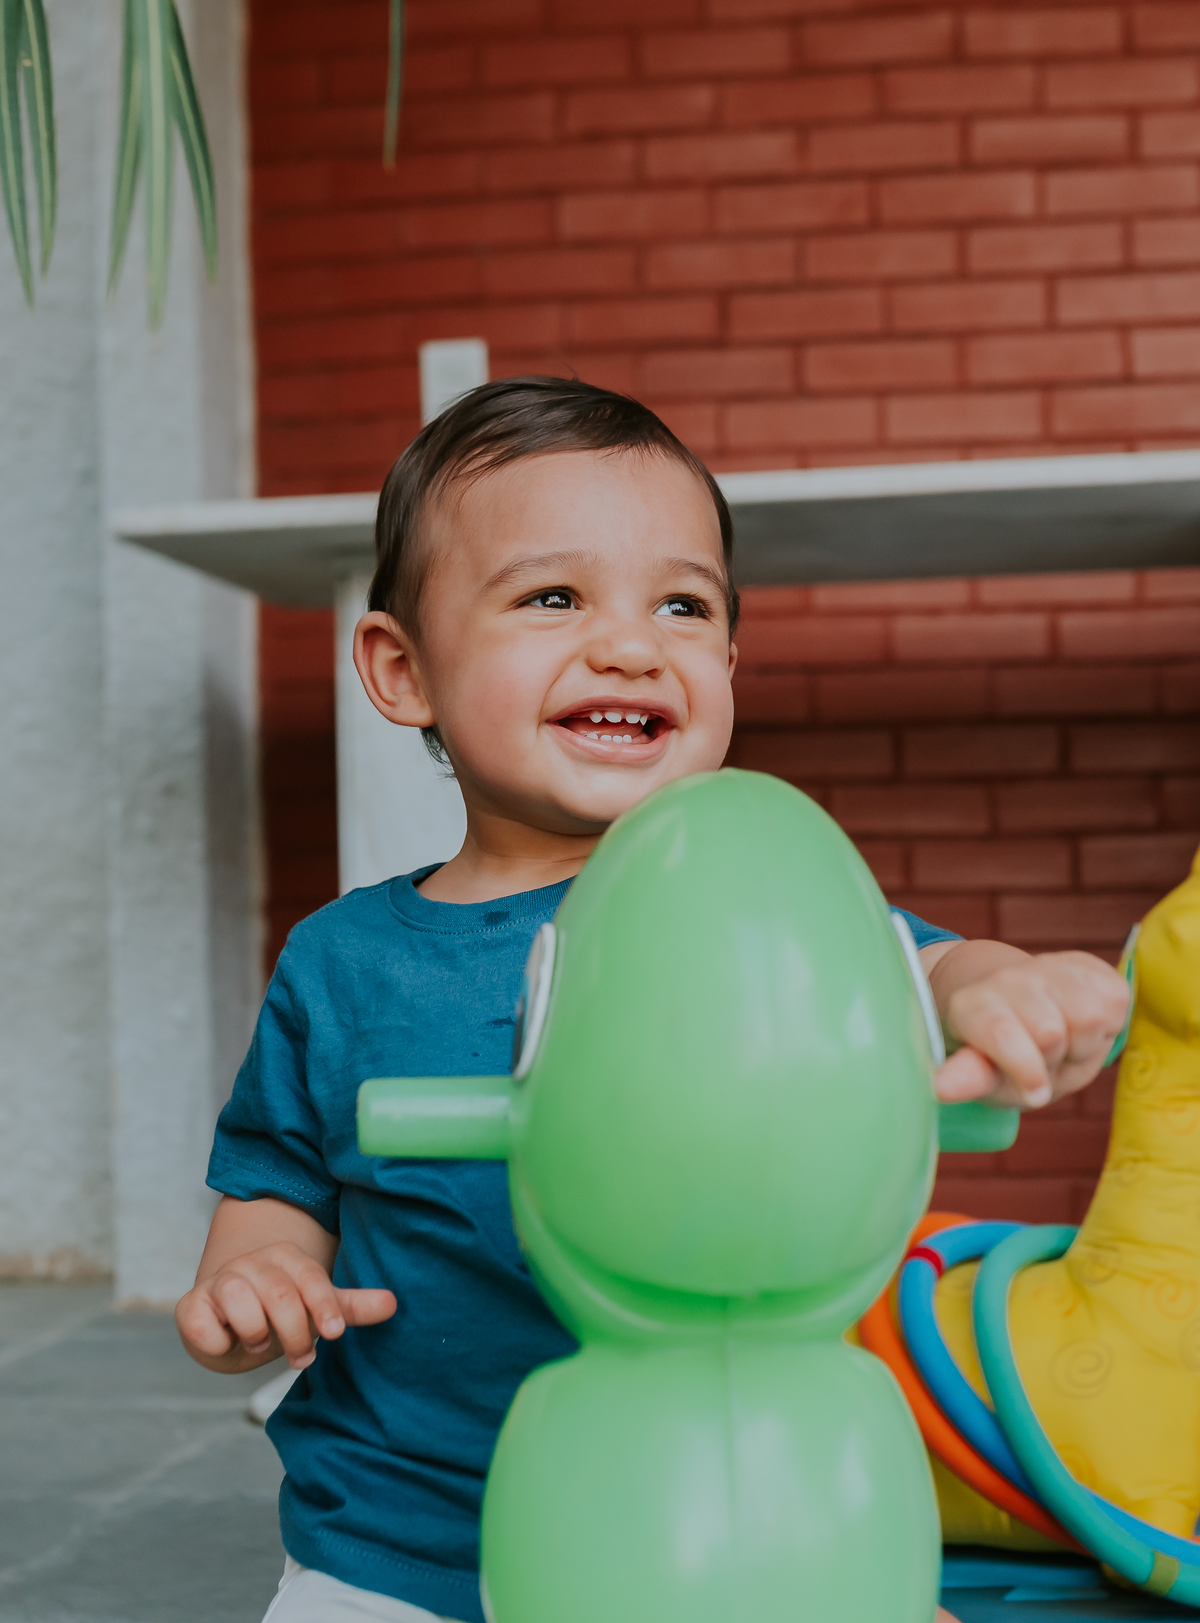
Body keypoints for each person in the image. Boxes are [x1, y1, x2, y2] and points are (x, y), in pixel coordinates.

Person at [175, 378, 1129, 1623]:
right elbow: (274, 1192)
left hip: (733, 1523)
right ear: (403, 669)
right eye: (553, 597)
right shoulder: (343, 961)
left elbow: (922, 969)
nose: (633, 645)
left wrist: (1010, 987)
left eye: (684, 605)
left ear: (729, 663)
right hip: (402, 1546)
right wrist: (260, 1282)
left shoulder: (764, 910)